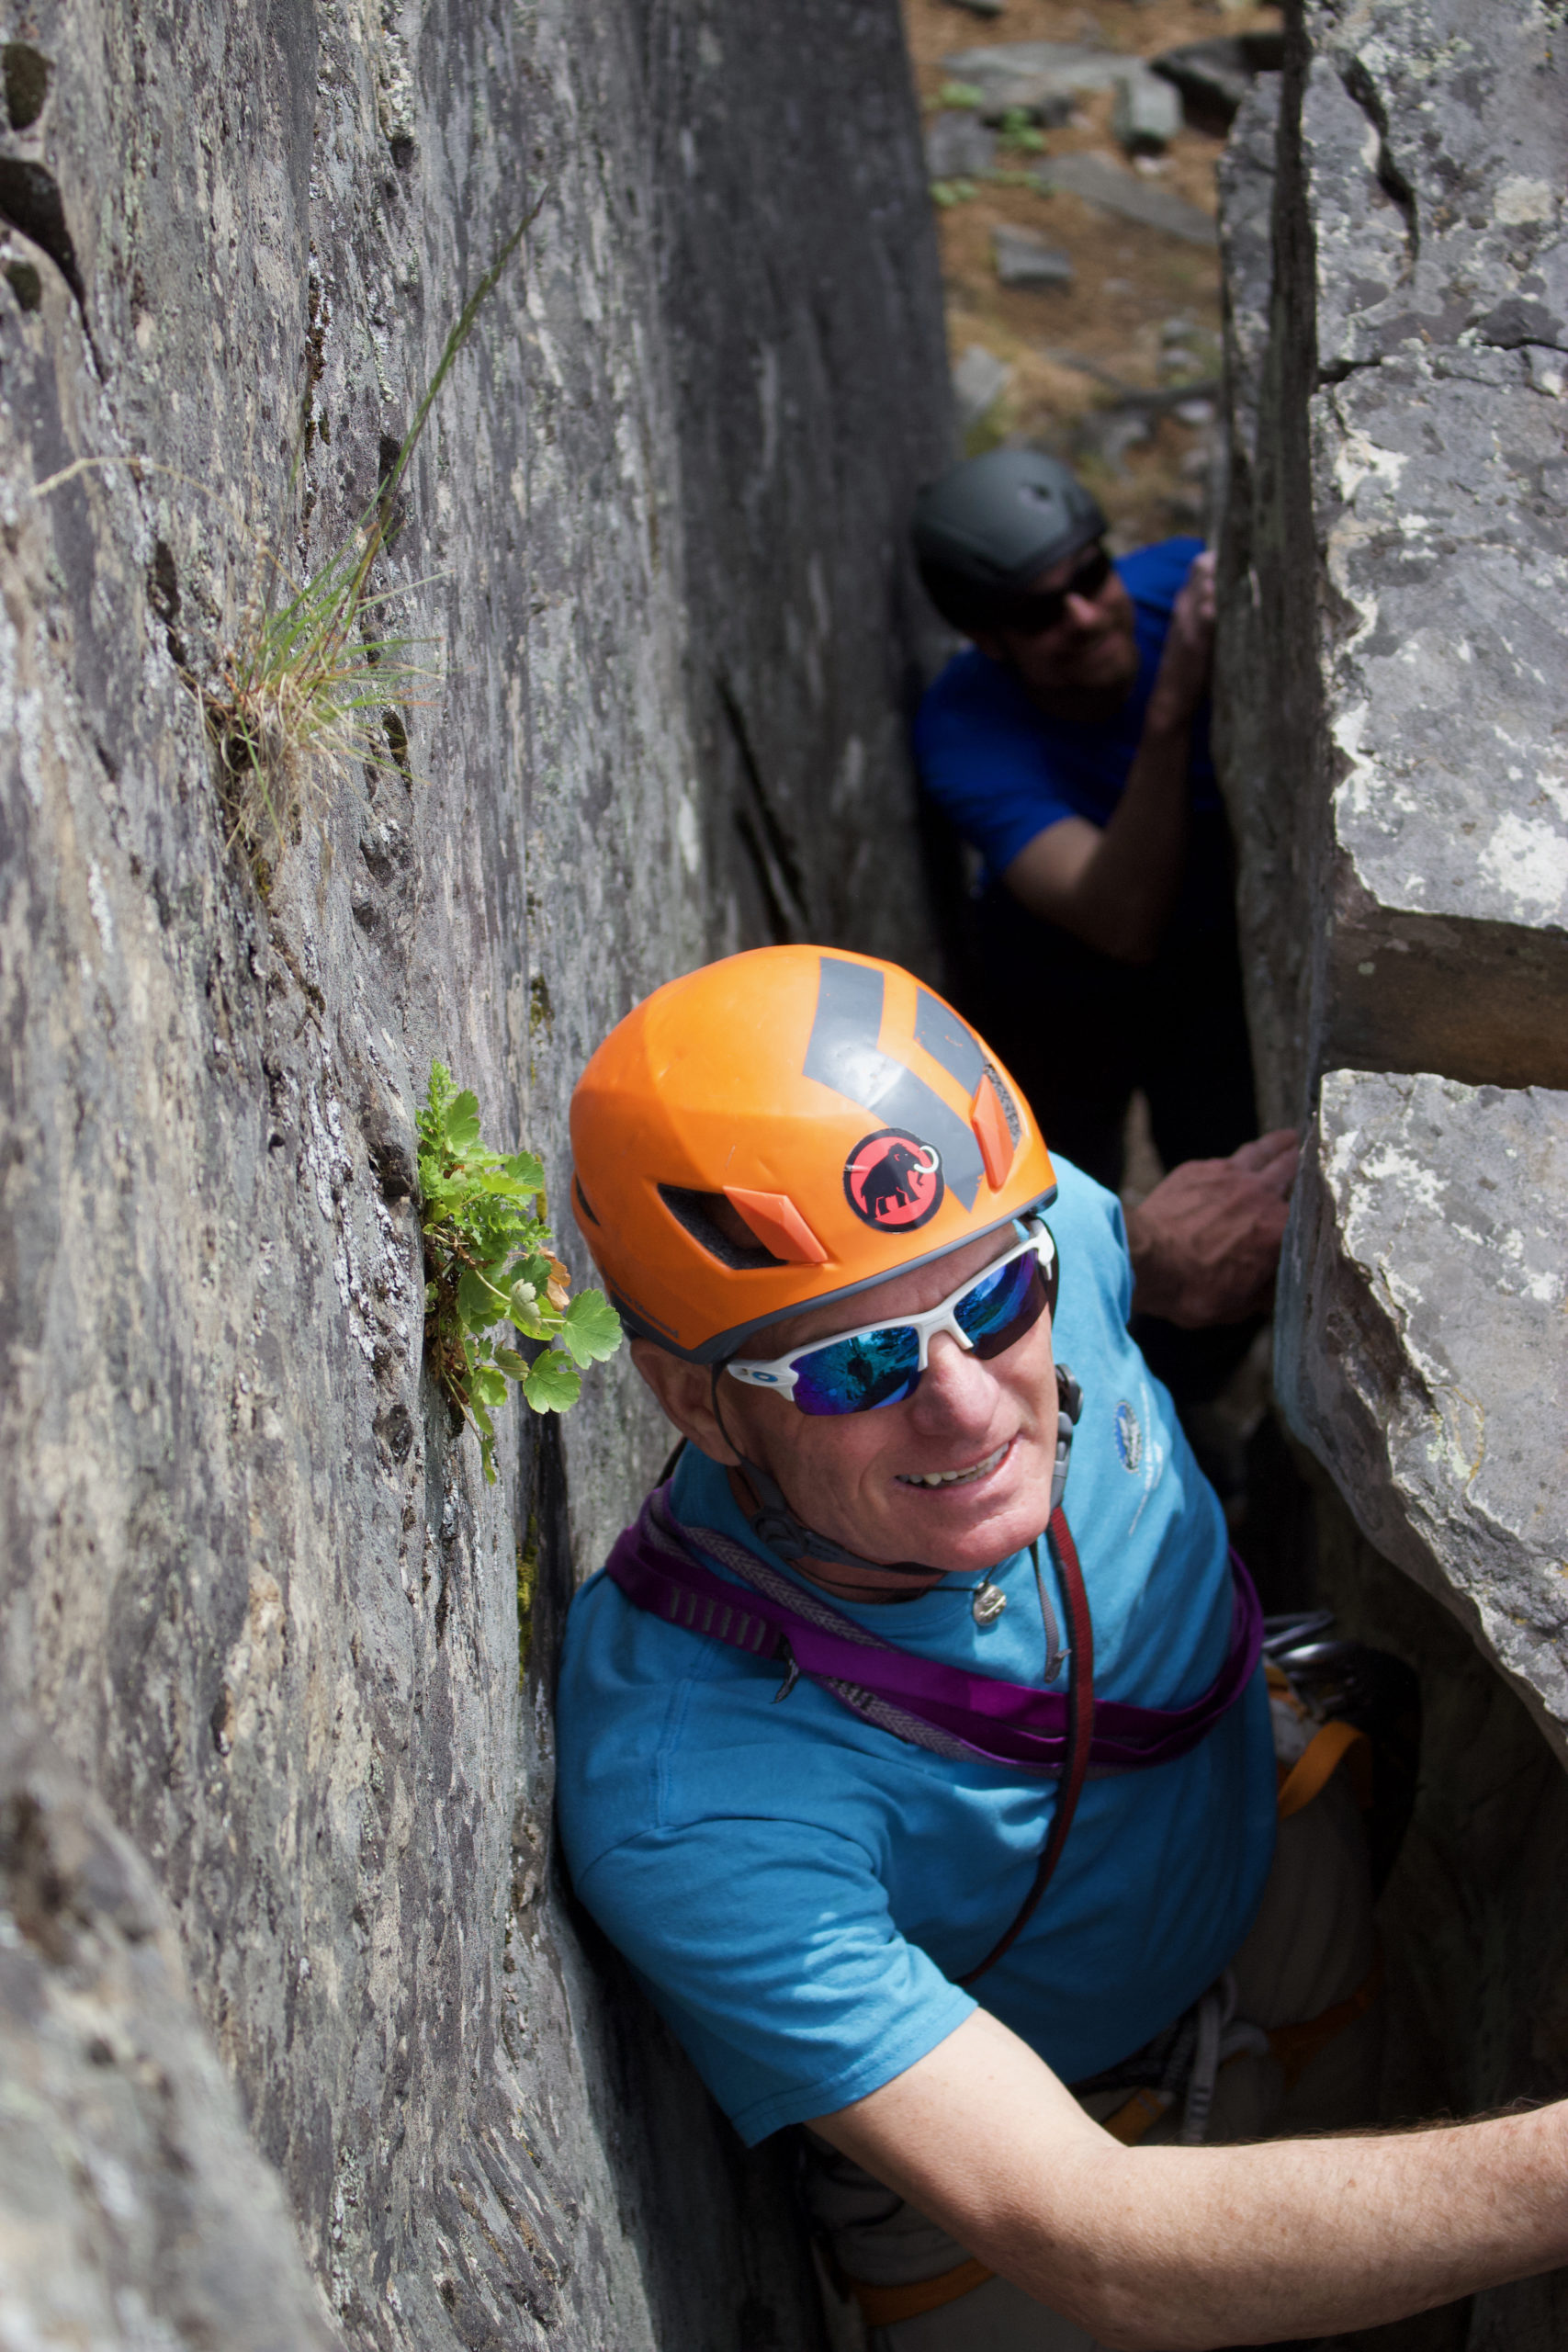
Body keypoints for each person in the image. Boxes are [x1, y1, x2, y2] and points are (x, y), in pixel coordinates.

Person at [555, 945, 1568, 2352]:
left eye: (992, 1304)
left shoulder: (1026, 1234)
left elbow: (1077, 1240)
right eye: (854, 1366)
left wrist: (1153, 1250)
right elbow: (1098, 2241)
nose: (968, 1408)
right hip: (1034, 2180)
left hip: (1269, 1886)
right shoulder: (697, 1798)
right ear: (695, 1402)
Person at [911, 449, 1253, 1233]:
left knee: (1220, 1158)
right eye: (1039, 614)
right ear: (988, 639)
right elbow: (1118, 922)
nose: (1084, 616)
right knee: (1053, 1193)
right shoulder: (962, 733)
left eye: (1092, 576)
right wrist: (1170, 710)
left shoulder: (1183, 590)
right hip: (1060, 973)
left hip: (1208, 953)